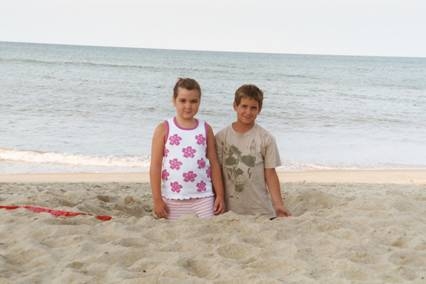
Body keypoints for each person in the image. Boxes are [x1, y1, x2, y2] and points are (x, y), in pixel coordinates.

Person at [150, 78, 225, 220]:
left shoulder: (205, 128)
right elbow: (155, 166)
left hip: (203, 197)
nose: (188, 106)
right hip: (173, 198)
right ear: (174, 100)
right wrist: (157, 200)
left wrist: (220, 195)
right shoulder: (164, 129)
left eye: (193, 101)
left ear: (199, 102)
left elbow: (214, 164)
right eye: (183, 101)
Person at [215, 84, 291, 219]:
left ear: (259, 110)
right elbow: (216, 171)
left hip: (259, 210)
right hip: (230, 211)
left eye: (253, 108)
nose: (248, 112)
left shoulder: (266, 138)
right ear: (235, 106)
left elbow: (270, 174)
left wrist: (278, 204)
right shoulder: (221, 137)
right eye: (244, 106)